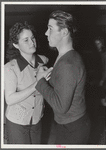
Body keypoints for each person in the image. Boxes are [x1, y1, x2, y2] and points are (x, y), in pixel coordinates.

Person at [35, 10, 91, 144]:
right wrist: (48, 74)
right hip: (70, 124)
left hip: (72, 128)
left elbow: (61, 107)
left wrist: (40, 81)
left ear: (64, 32)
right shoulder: (66, 56)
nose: (46, 33)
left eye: (50, 29)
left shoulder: (68, 64)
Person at [4, 22, 49, 144]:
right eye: (26, 40)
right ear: (16, 45)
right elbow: (9, 99)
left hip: (37, 119)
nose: (32, 42)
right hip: (17, 122)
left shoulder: (44, 60)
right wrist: (37, 83)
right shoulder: (10, 68)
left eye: (32, 38)